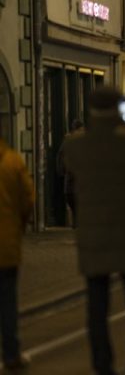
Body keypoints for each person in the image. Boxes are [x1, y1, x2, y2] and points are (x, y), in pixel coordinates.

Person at [62, 88, 125, 375]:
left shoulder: (75, 145)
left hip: (94, 236)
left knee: (97, 307)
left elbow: (71, 167)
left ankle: (102, 364)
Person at [0, 139, 34, 372]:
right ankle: (11, 354)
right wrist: (19, 226)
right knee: (7, 302)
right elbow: (28, 199)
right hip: (6, 246)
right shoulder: (12, 161)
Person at [57, 119, 84, 228]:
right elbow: (61, 156)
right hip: (73, 174)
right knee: (71, 196)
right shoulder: (69, 141)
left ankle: (77, 222)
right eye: (80, 130)